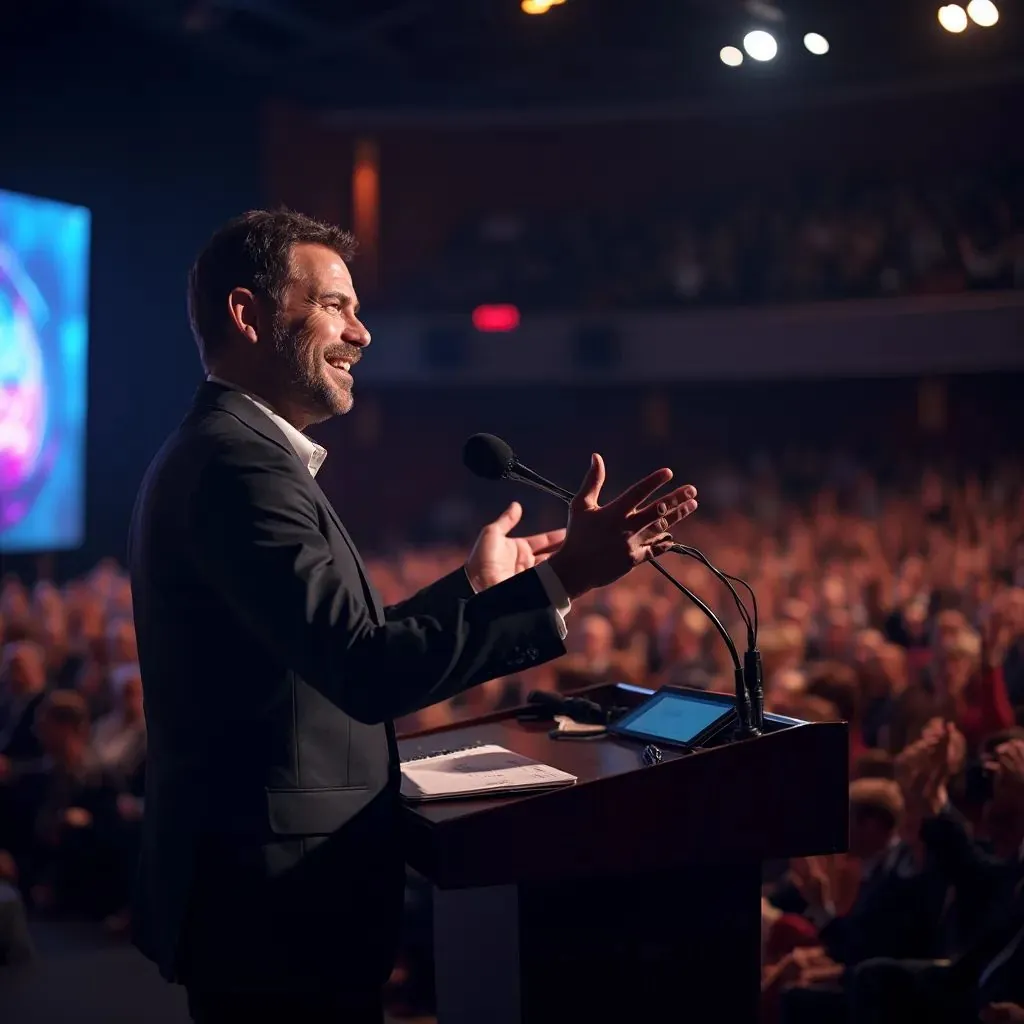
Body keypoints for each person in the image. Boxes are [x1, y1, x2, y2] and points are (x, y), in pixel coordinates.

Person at [128, 208, 699, 1024]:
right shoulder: (237, 465)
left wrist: (472, 586)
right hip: (275, 910)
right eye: (334, 306)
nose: (362, 334)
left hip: (271, 902)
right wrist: (567, 574)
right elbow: (362, 669)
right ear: (247, 315)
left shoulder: (228, 453)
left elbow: (324, 645)